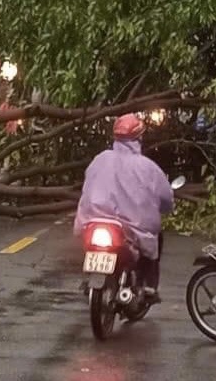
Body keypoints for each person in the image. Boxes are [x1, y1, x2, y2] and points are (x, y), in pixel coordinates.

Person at [73, 114, 174, 300]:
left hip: (93, 221)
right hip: (130, 229)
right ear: (139, 137)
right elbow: (166, 197)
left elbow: (87, 185)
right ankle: (149, 286)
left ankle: (90, 278)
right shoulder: (148, 168)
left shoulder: (100, 160)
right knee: (154, 240)